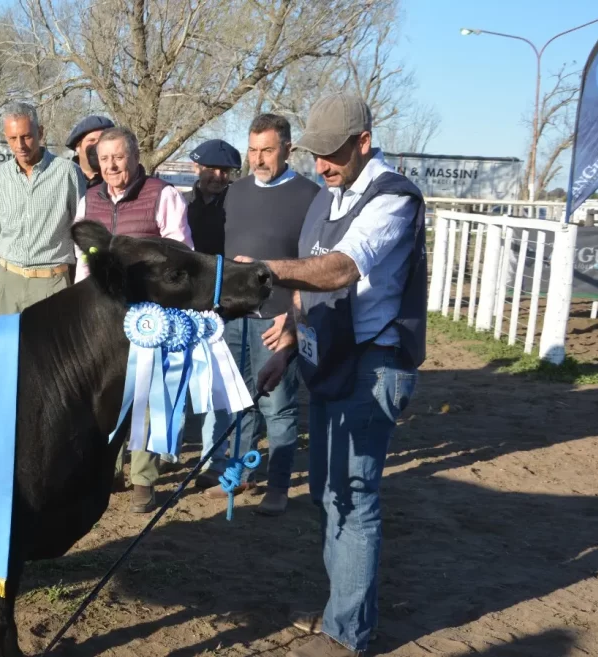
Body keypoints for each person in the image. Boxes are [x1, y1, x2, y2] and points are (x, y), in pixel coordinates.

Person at [250, 94, 426, 657]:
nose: (321, 165)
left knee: (353, 495)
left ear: (364, 143)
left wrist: (258, 273)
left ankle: (348, 635)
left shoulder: (392, 197)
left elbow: (341, 267)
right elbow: (309, 284)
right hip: (326, 356)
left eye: (332, 154)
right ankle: (342, 614)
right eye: (316, 154)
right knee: (327, 494)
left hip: (374, 363)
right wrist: (287, 348)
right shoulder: (328, 196)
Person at [197, 115, 320, 515]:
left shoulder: (310, 196)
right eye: (252, 150)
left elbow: (314, 264)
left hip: (277, 317)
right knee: (237, 399)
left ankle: (279, 487)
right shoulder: (236, 194)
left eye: (267, 150)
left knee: (278, 405)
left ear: (288, 149)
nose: (258, 159)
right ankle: (238, 474)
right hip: (234, 315)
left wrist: (293, 317)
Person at [73, 126, 192, 514]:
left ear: (135, 157)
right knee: (107, 392)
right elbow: (82, 261)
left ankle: (143, 479)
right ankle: (110, 468)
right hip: (101, 315)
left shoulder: (163, 195)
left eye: (118, 157)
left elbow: (181, 253)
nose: (110, 166)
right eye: (103, 159)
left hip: (148, 316)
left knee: (145, 396)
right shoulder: (88, 199)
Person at [0, 102, 86, 316]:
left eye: (27, 136)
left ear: (40, 132)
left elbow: (82, 232)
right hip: (6, 282)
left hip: (51, 283)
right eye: (12, 138)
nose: (20, 145)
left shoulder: (68, 174)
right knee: (4, 348)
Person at [186, 138, 240, 256]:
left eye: (224, 171)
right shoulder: (181, 203)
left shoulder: (238, 205)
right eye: (211, 169)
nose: (218, 177)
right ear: (196, 168)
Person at [66, 114, 114, 188]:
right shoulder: (66, 175)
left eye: (103, 139)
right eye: (92, 140)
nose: (98, 145)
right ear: (78, 147)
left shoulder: (117, 177)